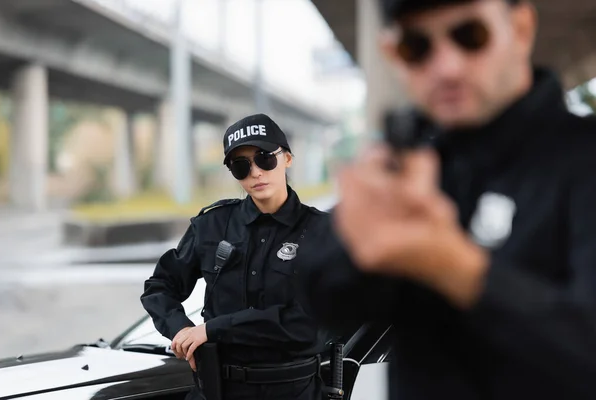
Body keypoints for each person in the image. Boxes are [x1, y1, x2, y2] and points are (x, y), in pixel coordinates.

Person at [297, 0, 596, 399]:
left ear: (520, 28)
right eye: (418, 47)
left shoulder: (583, 159)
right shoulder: (411, 160)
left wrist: (460, 271)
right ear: (394, 54)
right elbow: (322, 301)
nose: (447, 67)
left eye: (470, 36)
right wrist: (356, 239)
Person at [141, 113, 327, 400]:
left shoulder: (322, 232)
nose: (255, 172)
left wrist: (214, 330)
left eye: (265, 158)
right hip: (215, 390)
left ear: (287, 158)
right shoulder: (211, 226)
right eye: (241, 166)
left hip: (292, 390)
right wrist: (181, 331)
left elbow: (306, 325)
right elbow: (160, 286)